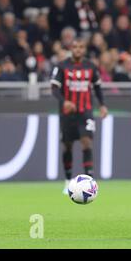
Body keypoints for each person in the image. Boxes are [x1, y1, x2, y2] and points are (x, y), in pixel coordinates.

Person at [50, 38, 108, 194]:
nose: (78, 50)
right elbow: (54, 88)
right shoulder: (62, 66)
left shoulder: (91, 67)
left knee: (87, 142)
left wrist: (102, 105)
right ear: (71, 49)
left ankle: (90, 181)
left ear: (84, 49)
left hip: (85, 112)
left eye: (81, 47)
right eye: (75, 47)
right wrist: (64, 102)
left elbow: (97, 88)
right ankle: (68, 180)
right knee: (67, 145)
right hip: (67, 114)